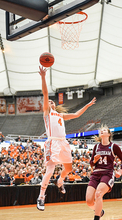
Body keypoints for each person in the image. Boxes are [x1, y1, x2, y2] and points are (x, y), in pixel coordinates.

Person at [36, 66, 96, 211]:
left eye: (52, 102)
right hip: (52, 141)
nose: (50, 102)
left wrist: (87, 106)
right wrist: (43, 77)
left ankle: (60, 181)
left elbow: (76, 115)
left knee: (68, 168)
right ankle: (41, 197)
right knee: (50, 170)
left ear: (55, 105)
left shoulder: (60, 115)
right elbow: (45, 93)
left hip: (63, 142)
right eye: (48, 101)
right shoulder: (47, 113)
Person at [86, 125, 122, 220]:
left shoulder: (114, 146)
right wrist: (95, 161)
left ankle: (96, 218)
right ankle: (100, 212)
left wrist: (120, 171)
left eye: (104, 130)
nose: (102, 131)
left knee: (98, 193)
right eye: (101, 130)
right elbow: (91, 164)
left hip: (107, 173)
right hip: (95, 174)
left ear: (108, 134)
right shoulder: (96, 147)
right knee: (89, 201)